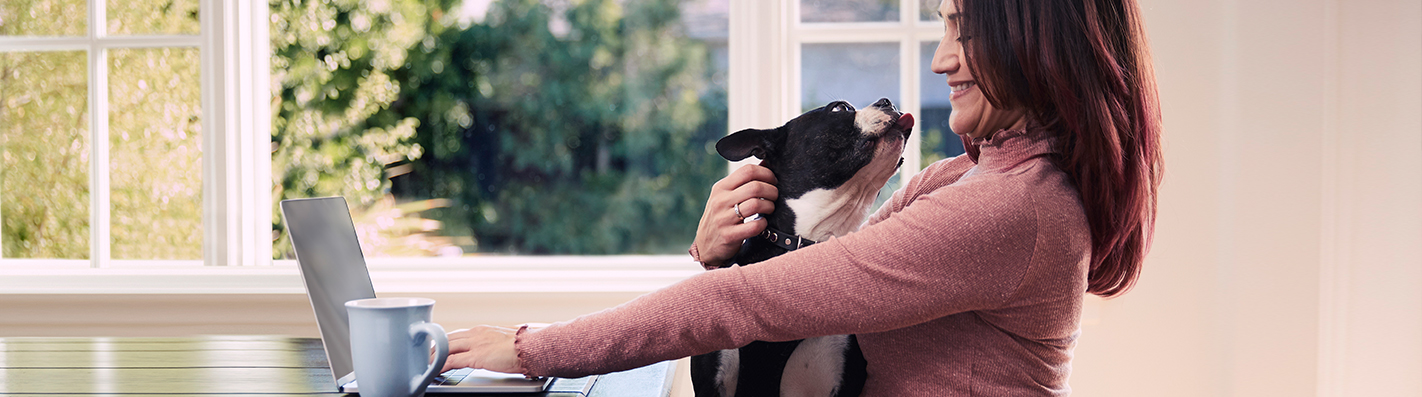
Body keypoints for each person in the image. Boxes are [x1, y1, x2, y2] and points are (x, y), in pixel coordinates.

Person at [439, 0, 1163, 394]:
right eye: (942, 29)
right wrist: (718, 246)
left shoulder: (1008, 209)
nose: (942, 59)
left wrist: (536, 350)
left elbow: (753, 302)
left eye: (963, 33)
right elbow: (813, 278)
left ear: (1037, 44)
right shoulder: (970, 179)